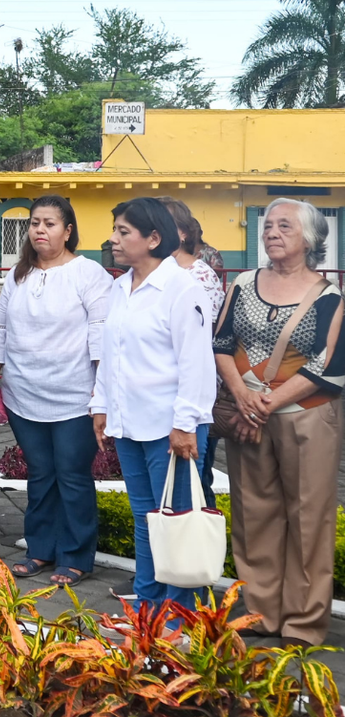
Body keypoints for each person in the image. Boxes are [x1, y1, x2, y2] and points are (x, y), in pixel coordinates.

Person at [214, 198, 344, 647]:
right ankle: (261, 614)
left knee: (309, 517)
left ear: (309, 238)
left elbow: (330, 363)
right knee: (253, 514)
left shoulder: (329, 296)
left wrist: (264, 405)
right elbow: (222, 341)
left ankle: (304, 624)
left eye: (284, 226)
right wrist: (243, 397)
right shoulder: (244, 284)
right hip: (247, 411)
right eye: (268, 225)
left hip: (305, 418)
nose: (272, 232)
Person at [0, 195, 111, 586]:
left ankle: (76, 556)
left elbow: (101, 336)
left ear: (68, 231)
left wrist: (101, 395)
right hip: (24, 394)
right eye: (35, 222)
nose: (39, 230)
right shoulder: (17, 274)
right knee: (40, 474)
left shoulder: (89, 275)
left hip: (75, 396)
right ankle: (40, 550)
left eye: (50, 223)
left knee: (71, 475)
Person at [91, 197, 216, 613]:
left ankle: (179, 617)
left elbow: (195, 363)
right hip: (129, 425)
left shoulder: (183, 288)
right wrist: (101, 406)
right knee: (148, 522)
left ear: (154, 238)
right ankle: (149, 607)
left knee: (176, 522)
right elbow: (112, 354)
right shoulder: (119, 286)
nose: (113, 239)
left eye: (123, 231)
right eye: (116, 230)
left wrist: (184, 424)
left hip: (170, 428)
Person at [160, 196, 224, 508]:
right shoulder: (152, 273)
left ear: (182, 234)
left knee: (195, 482)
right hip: (161, 392)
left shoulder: (198, 275)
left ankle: (202, 549)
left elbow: (200, 340)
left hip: (193, 392)